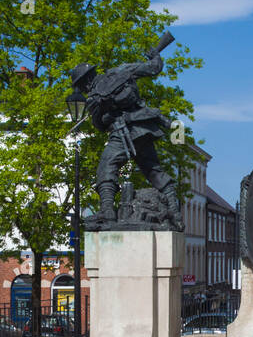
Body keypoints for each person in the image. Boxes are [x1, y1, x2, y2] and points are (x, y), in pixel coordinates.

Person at [70, 41, 182, 230]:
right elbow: (154, 68)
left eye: (81, 87)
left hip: (124, 132)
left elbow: (99, 125)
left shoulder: (94, 97)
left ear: (85, 82)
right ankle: (175, 213)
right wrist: (154, 54)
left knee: (106, 167)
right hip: (144, 128)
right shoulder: (120, 70)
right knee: (154, 170)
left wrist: (102, 111)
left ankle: (107, 212)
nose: (83, 91)